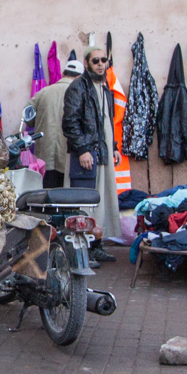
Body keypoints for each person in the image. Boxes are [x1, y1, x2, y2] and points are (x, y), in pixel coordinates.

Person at [62, 45, 122, 260]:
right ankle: (82, 251)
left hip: (102, 153)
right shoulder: (78, 87)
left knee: (101, 201)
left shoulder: (106, 88)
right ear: (86, 63)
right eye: (95, 61)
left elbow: (107, 122)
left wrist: (114, 146)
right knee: (84, 203)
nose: (99, 64)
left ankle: (95, 246)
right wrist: (83, 150)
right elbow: (70, 122)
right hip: (86, 154)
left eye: (103, 60)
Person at [25, 59, 83, 189]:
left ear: (63, 74)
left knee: (47, 194)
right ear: (80, 77)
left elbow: (28, 116)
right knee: (66, 196)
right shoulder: (80, 94)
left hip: (44, 154)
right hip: (69, 156)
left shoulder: (43, 93)